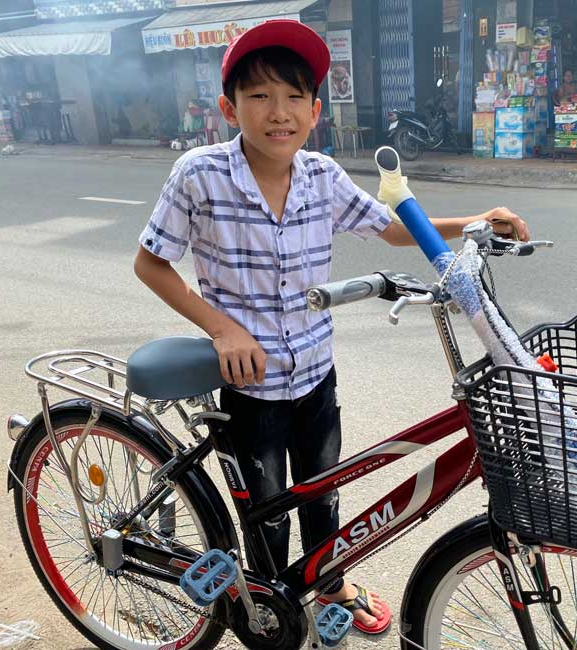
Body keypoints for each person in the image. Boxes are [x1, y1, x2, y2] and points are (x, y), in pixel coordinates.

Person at [133, 19, 529, 635]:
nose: (278, 112)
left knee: (323, 487)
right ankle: (270, 606)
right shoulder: (199, 175)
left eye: (293, 97)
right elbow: (151, 263)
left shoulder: (322, 175)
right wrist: (222, 330)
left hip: (316, 372)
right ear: (228, 107)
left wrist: (476, 219)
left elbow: (392, 228)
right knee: (266, 511)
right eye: (259, 96)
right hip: (250, 383)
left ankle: (330, 581)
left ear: (315, 110)